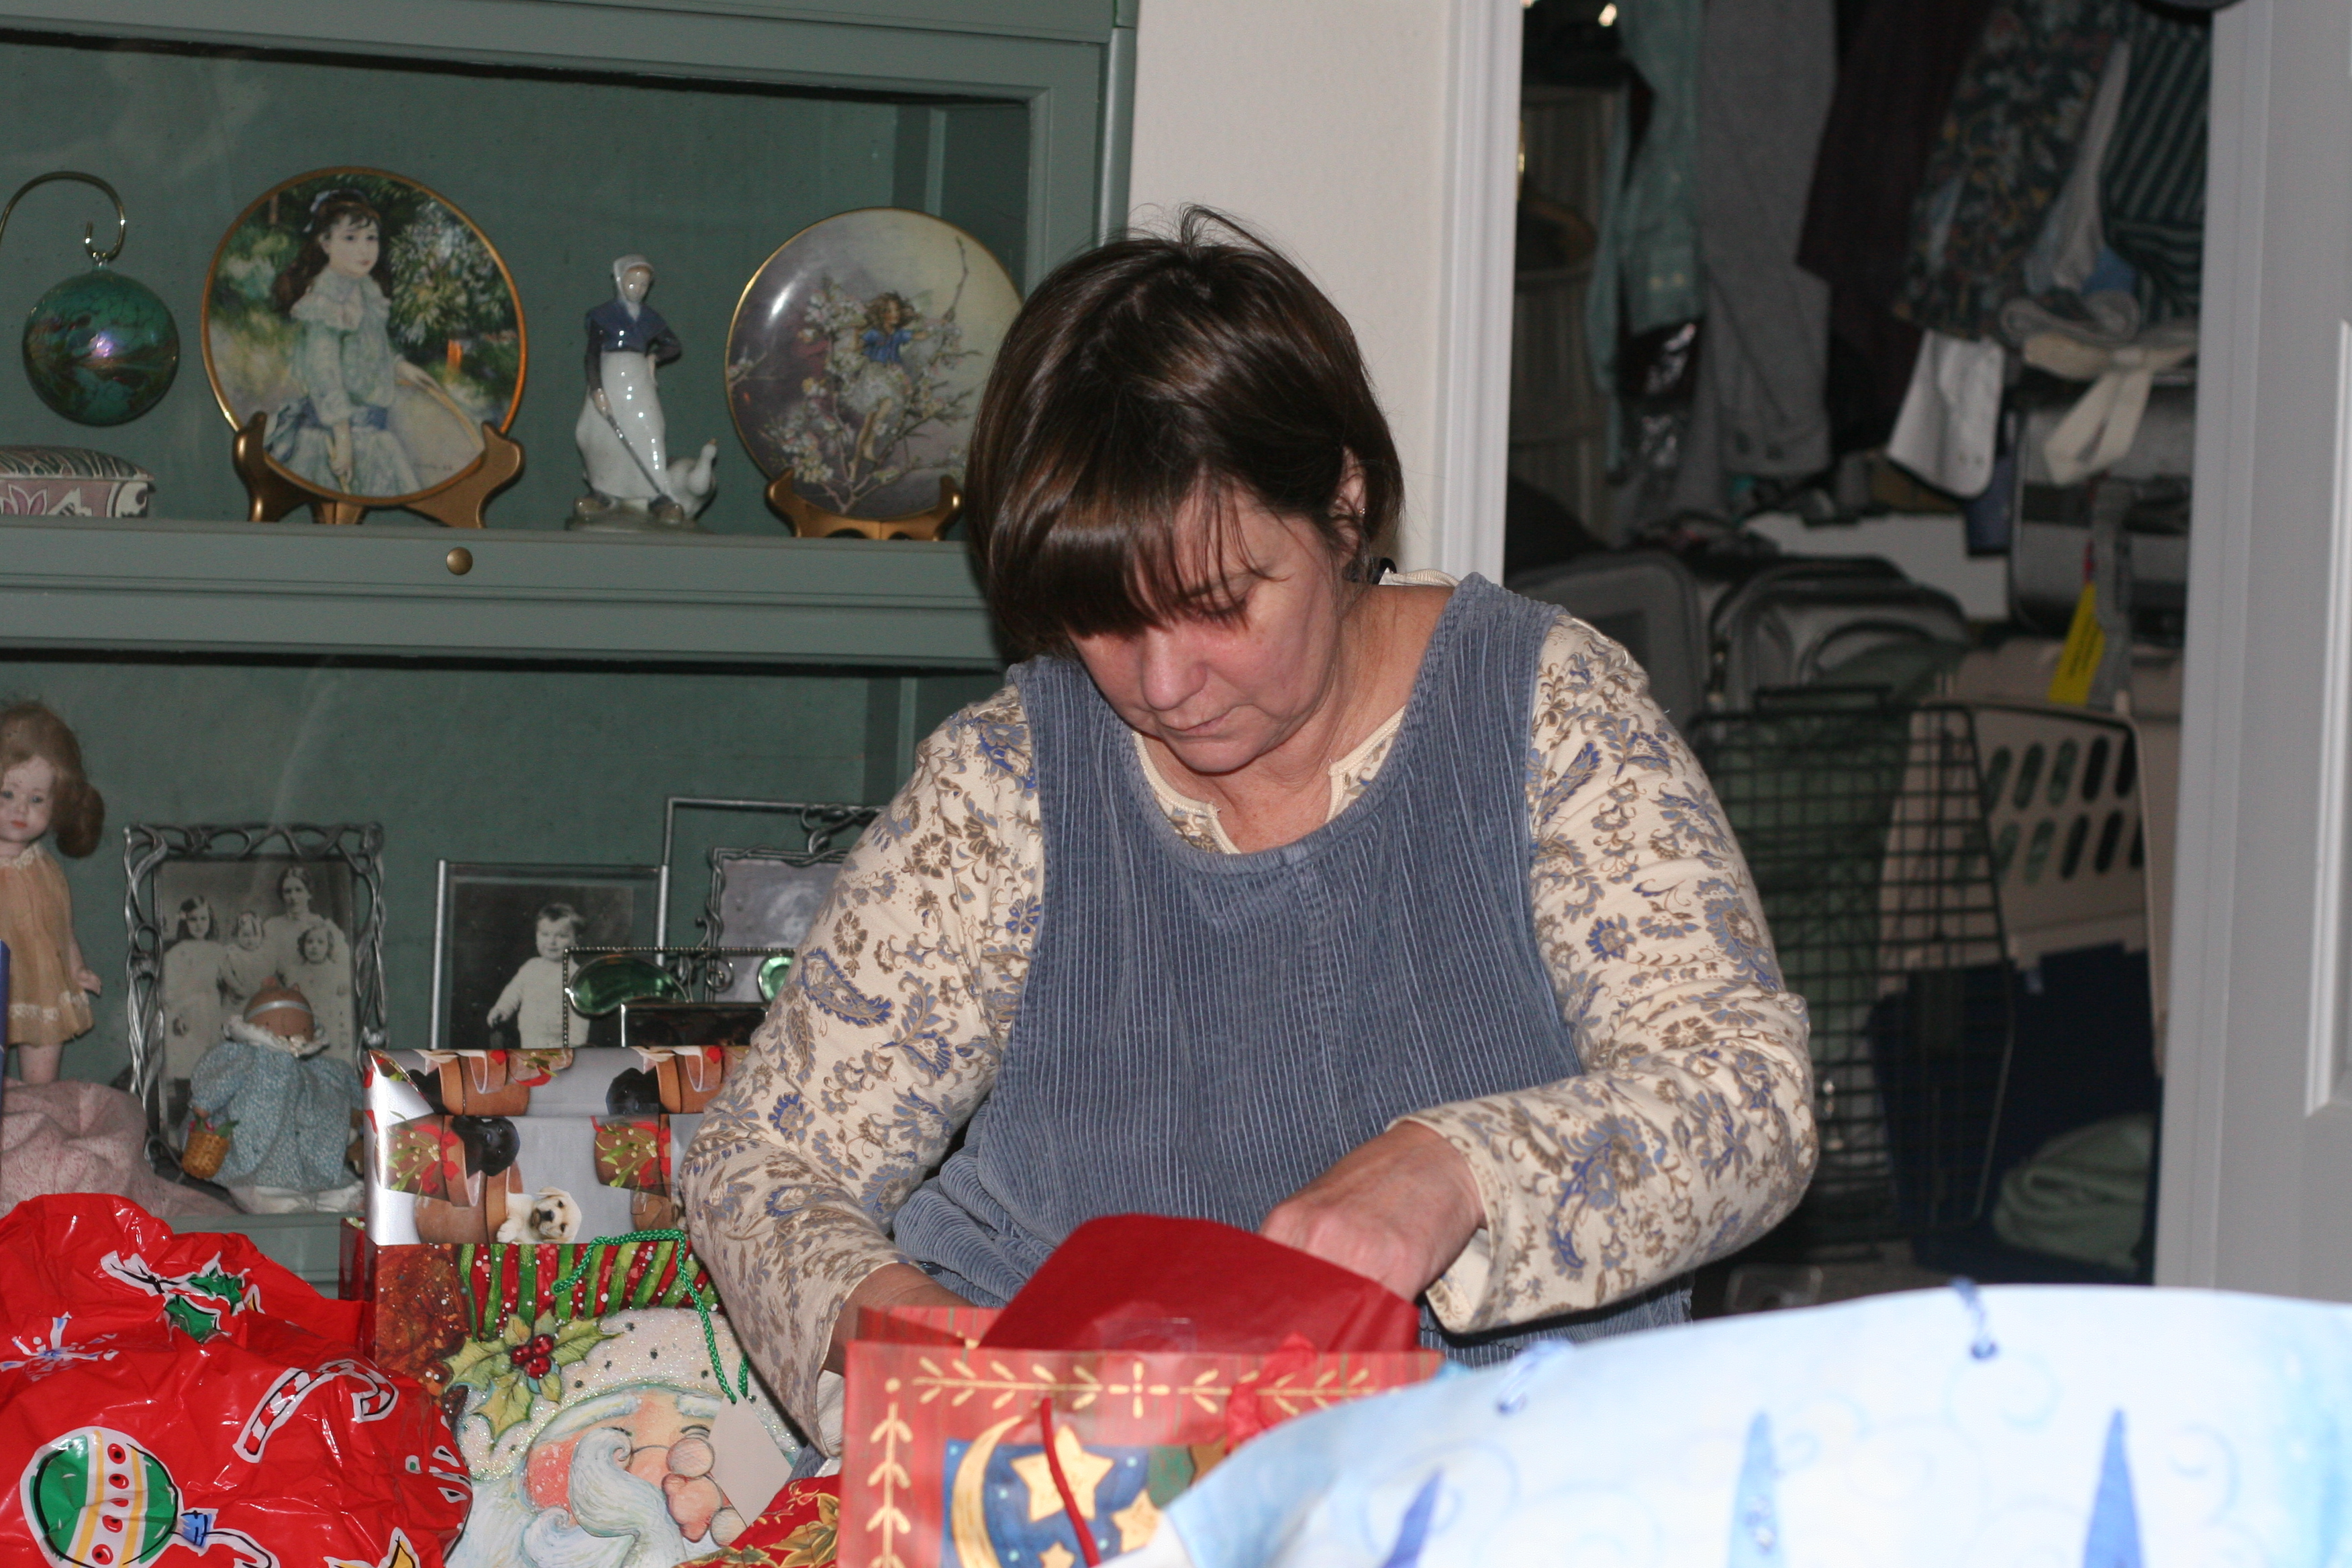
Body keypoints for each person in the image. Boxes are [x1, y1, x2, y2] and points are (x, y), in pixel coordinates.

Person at [679, 210, 1816, 1451]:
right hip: (1065, 1476)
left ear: (1342, 503)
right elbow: (764, 1162)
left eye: (1219, 603)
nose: (1165, 684)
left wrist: (1461, 1169)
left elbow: (1747, 1099)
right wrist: (914, 1328)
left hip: (1495, 1463)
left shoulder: (1545, 713)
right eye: (1103, 620)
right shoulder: (1005, 789)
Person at [265, 189, 477, 496]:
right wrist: (343, 437)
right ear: (326, 243)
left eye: (371, 238)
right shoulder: (324, 304)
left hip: (372, 433)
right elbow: (324, 373)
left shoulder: (365, 292)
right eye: (350, 239)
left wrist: (400, 367)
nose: (364, 249)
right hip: (336, 437)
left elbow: (369, 350)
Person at [187, 979, 363, 1214]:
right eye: (275, 1023)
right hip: (261, 1156)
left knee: (333, 1181)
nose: (290, 1031)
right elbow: (222, 1078)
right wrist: (205, 1104)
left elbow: (351, 1093)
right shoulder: (247, 1058)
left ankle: (343, 1199)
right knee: (267, 1191)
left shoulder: (324, 1067)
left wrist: (359, 1124)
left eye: (303, 1027)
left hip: (315, 1153)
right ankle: (286, 1207)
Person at [0, 701, 103, 1084]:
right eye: (7, 794)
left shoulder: (45, 869)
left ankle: (40, 1108)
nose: (20, 810)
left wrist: (76, 969)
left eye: (37, 799)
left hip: (40, 981)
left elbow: (62, 930)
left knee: (43, 1063)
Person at [487, 903, 595, 1054]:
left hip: (560, 1048)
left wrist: (574, 1047)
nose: (551, 942)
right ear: (536, 935)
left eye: (562, 936)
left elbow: (580, 1019)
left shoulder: (577, 976)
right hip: (528, 1041)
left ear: (576, 940)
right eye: (545, 934)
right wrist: (501, 1010)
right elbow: (513, 993)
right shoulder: (531, 967)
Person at [158, 895, 230, 1085]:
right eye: (193, 919)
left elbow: (227, 985)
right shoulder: (177, 952)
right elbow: (169, 991)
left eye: (203, 919)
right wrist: (178, 1016)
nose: (199, 925)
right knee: (188, 1068)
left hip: (212, 1013)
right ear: (185, 922)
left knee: (212, 1071)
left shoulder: (219, 951)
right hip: (187, 1015)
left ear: (210, 921)